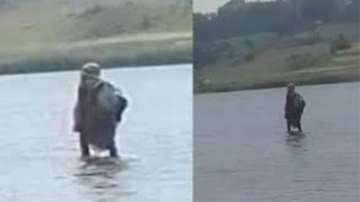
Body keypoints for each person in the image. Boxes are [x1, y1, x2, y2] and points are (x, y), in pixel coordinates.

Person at [73, 62, 128, 157]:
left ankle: (89, 167)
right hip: (94, 122)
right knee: (109, 145)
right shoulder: (85, 88)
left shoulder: (101, 87)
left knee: (103, 145)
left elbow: (111, 104)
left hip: (96, 121)